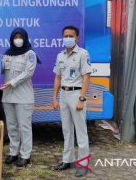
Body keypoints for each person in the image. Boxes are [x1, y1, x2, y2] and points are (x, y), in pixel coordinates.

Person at [52, 25, 92, 177]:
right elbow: (57, 77)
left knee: (80, 131)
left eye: (71, 36)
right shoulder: (60, 56)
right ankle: (67, 160)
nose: (68, 38)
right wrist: (54, 98)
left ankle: (83, 164)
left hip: (76, 95)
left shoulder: (83, 54)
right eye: (65, 36)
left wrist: (82, 98)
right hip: (63, 95)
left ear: (77, 38)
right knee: (66, 130)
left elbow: (87, 76)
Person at [1, 27, 40, 167]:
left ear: (25, 38)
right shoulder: (7, 55)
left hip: (24, 97)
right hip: (8, 97)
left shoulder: (30, 54)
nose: (18, 40)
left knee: (24, 127)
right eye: (15, 37)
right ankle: (13, 152)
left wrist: (12, 83)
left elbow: (28, 73)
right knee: (11, 126)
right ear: (11, 39)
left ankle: (25, 155)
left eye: (20, 37)